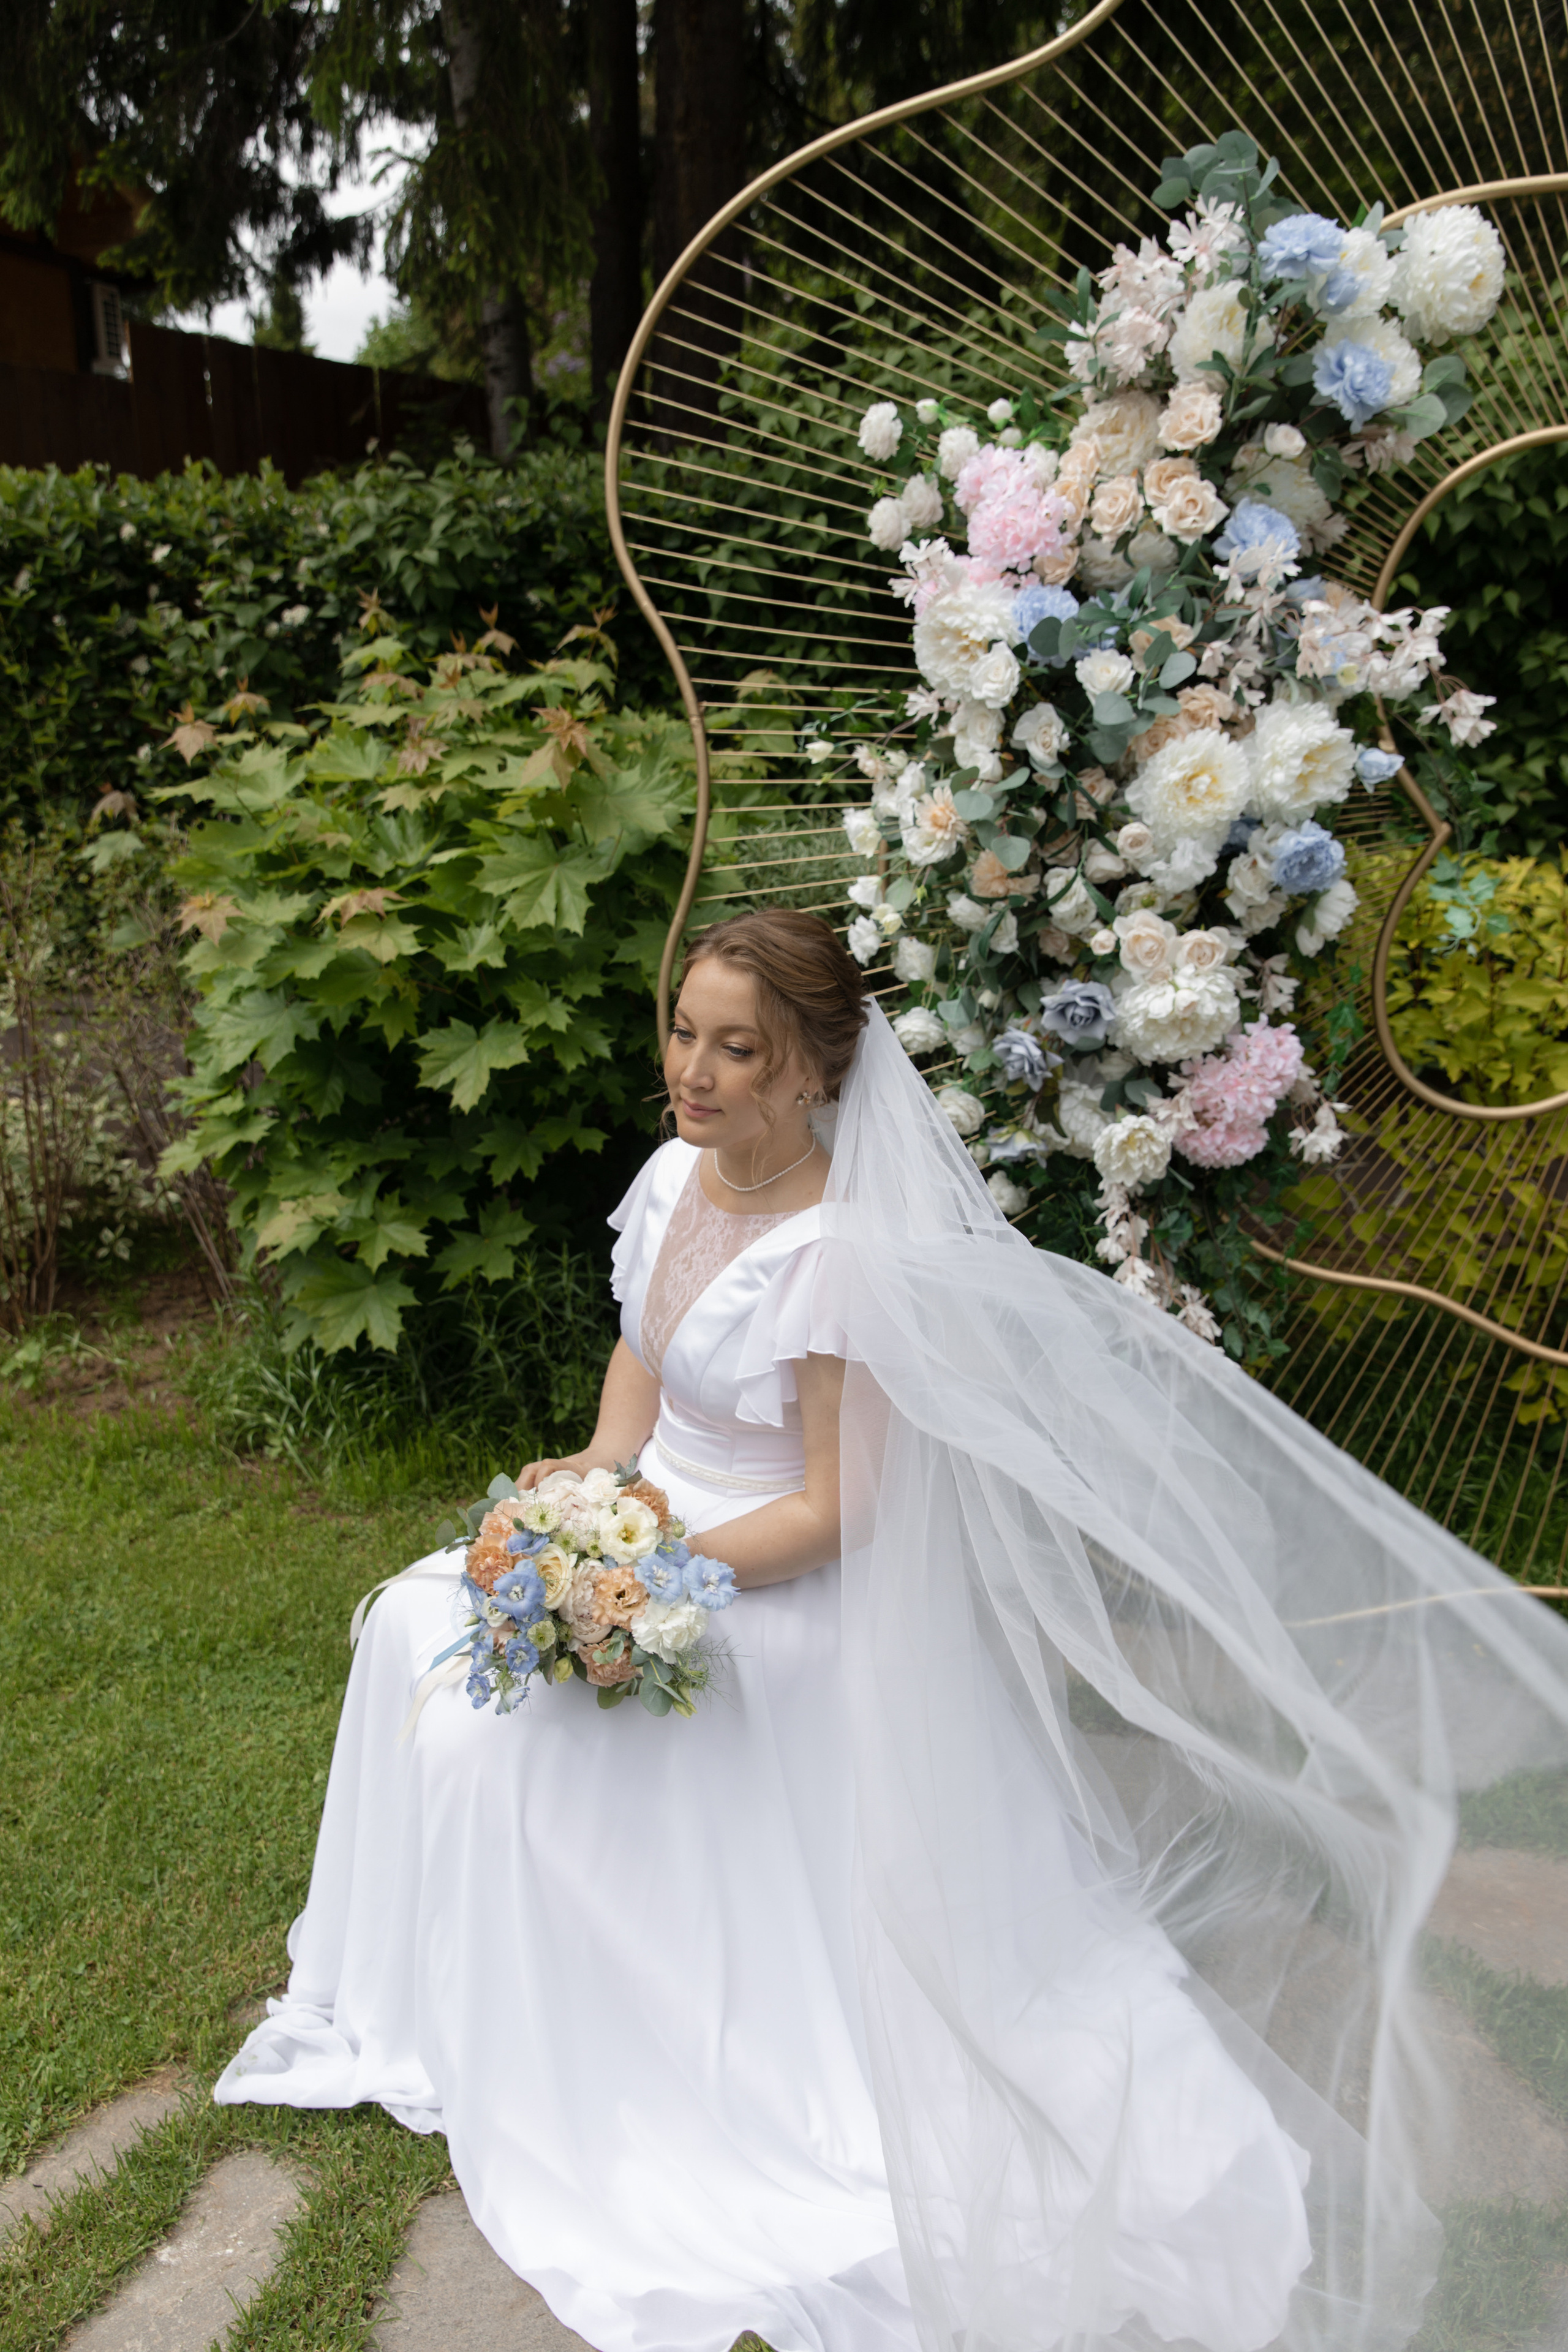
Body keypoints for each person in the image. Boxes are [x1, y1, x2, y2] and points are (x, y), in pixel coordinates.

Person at [217, 908, 1568, 2352]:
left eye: (737, 1050)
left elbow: (835, 1511)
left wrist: (643, 1574)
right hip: (649, 1522)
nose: (692, 1071)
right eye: (684, 1032)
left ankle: (595, 2044)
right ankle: (432, 2002)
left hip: (776, 1579)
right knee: (408, 1623)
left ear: (813, 1070)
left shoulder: (839, 1256)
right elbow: (641, 1351)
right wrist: (598, 1477)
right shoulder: (675, 1173)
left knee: (507, 1743)